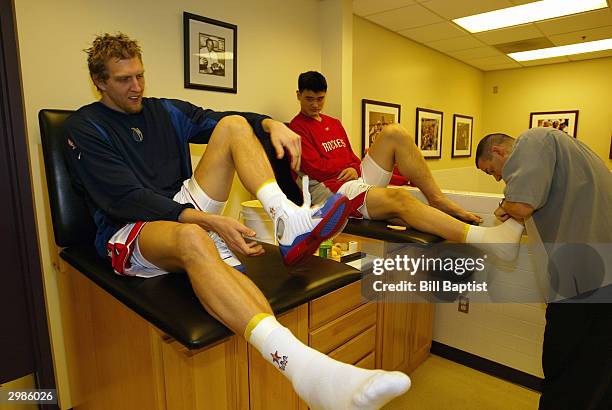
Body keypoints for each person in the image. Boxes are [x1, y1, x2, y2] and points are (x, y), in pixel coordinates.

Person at [64, 33, 410, 410]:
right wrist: (211, 223)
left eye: (140, 76)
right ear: (99, 81)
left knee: (232, 125)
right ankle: (308, 371)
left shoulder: (163, 110)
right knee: (192, 239)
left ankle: (287, 219)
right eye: (124, 80)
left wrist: (269, 124)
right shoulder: (85, 127)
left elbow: (218, 121)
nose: (137, 87)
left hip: (179, 208)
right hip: (129, 228)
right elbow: (123, 198)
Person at [289, 71, 525, 261]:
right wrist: (345, 167)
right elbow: (315, 167)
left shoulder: (334, 123)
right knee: (400, 198)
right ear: (299, 95)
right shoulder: (296, 128)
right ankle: (485, 239)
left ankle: (437, 198)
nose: (316, 105)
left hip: (355, 177)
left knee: (394, 132)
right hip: (336, 192)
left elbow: (351, 157)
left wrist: (352, 166)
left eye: (320, 99)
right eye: (309, 99)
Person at [475, 129, 612, 409]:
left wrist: (505, 205)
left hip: (581, 278)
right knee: (596, 370)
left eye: (491, 171)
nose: (498, 178)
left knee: (561, 365)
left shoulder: (533, 140)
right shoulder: (575, 150)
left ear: (500, 152)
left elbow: (522, 205)